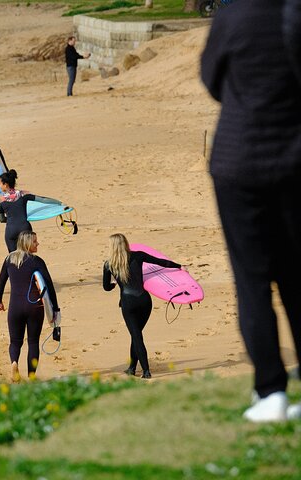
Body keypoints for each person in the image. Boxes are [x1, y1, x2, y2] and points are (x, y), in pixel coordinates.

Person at [201, 0, 301, 422]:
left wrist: (247, 99)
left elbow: (211, 77)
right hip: (293, 157)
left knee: (252, 280)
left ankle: (271, 391)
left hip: (239, 161)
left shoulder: (234, 13)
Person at [102, 234, 182, 379]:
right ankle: (132, 368)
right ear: (125, 243)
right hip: (145, 301)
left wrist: (114, 285)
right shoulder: (138, 256)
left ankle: (146, 371)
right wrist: (180, 266)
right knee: (136, 335)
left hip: (128, 303)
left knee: (136, 336)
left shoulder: (108, 265)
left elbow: (106, 287)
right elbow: (161, 262)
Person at [0, 231, 59, 382]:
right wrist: (55, 309)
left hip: (15, 307)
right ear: (27, 243)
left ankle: (14, 363)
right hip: (34, 307)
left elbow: (1, 282)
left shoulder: (9, 259)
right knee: (33, 341)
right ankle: (31, 377)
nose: (38, 244)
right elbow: (49, 286)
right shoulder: (37, 261)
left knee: (15, 341)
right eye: (35, 241)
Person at [0, 170, 35, 253]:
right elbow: (41, 200)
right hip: (25, 228)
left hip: (11, 230)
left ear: (5, 184)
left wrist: (12, 218)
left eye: (0, 183)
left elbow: (1, 219)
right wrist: (58, 204)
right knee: (28, 255)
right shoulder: (24, 194)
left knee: (14, 257)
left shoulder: (1, 201)